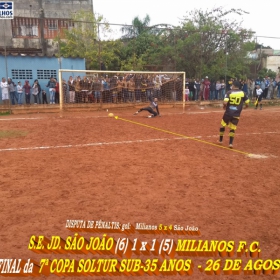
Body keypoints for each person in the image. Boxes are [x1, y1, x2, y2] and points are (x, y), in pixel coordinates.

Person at [218, 80, 249, 148]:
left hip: (228, 112)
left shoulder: (229, 92)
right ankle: (230, 143)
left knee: (222, 125)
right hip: (237, 113)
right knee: (233, 128)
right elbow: (247, 102)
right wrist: (245, 107)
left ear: (234, 85)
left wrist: (224, 106)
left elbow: (225, 103)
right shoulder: (243, 93)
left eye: (232, 85)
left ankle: (220, 140)